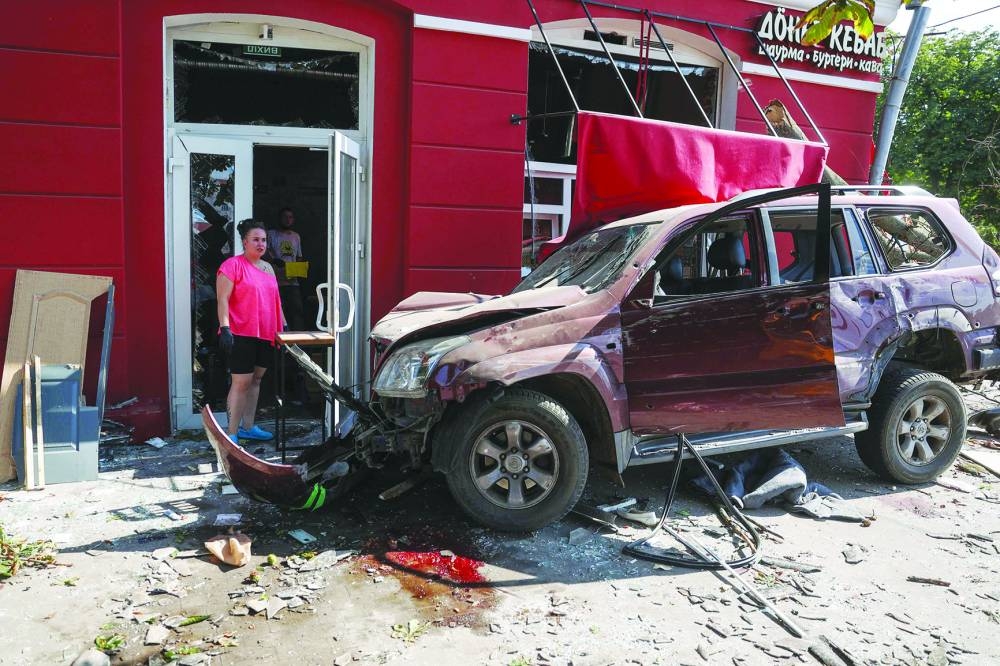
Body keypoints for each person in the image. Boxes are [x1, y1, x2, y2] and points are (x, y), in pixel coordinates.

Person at [217, 219, 285, 443]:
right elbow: (223, 300)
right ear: (244, 242)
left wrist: (282, 327)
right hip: (240, 333)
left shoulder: (268, 268)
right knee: (241, 382)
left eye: (264, 240)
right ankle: (232, 433)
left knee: (256, 380)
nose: (260, 244)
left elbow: (276, 302)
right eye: (255, 239)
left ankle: (248, 427)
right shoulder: (232, 265)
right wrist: (225, 327)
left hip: (265, 334)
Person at [265, 207, 306, 331]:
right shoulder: (271, 234)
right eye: (285, 217)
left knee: (297, 311)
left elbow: (299, 257)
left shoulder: (296, 236)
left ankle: (298, 341)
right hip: (275, 282)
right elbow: (264, 252)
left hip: (293, 282)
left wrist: (298, 269)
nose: (288, 220)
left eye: (290, 217)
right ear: (279, 218)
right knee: (277, 312)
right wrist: (274, 261)